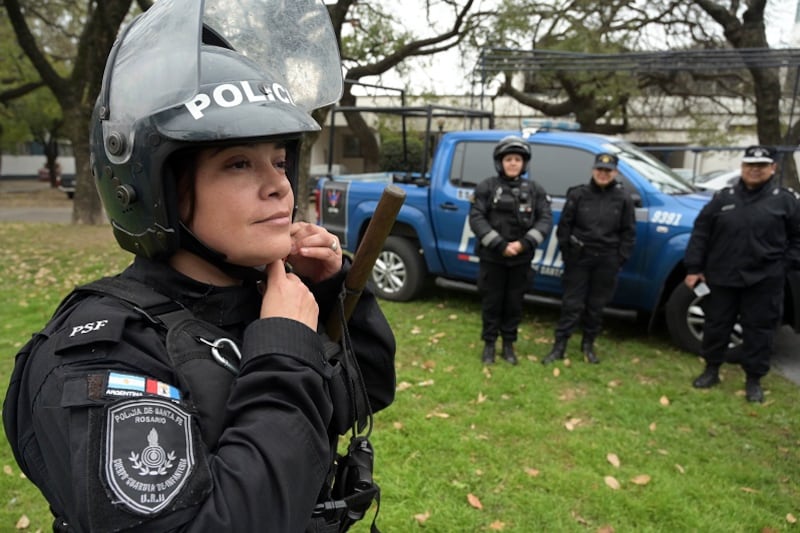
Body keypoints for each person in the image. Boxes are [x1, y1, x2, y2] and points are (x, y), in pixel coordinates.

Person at [2, 1, 396, 532]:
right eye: (238, 163)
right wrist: (281, 346)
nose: (279, 184)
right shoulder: (104, 352)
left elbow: (361, 393)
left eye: (279, 159)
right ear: (155, 188)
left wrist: (328, 294)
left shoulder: (265, 294)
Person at [684, 145, 800, 402]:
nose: (754, 171)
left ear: (772, 168)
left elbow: (797, 238)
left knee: (759, 330)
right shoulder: (724, 198)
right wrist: (694, 268)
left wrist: (785, 266)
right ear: (742, 167)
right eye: (749, 165)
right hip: (723, 275)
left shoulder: (785, 200)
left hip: (764, 280)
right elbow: (701, 232)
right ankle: (711, 370)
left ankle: (754, 380)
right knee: (716, 325)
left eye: (760, 166)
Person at [542, 153, 636, 365]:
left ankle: (588, 346)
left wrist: (619, 259)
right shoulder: (578, 195)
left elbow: (628, 233)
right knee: (571, 304)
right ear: (593, 171)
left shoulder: (623, 199)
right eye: (599, 170)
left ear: (615, 172)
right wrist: (569, 254)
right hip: (579, 258)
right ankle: (559, 346)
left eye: (608, 171)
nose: (603, 174)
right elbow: (564, 227)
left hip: (607, 259)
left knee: (596, 306)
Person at [469, 136, 553, 365]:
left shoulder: (535, 190)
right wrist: (500, 244)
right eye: (509, 159)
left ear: (524, 163)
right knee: (492, 303)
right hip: (492, 259)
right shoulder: (487, 187)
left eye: (517, 159)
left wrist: (523, 244)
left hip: (520, 261)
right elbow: (476, 218)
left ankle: (508, 345)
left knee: (513, 304)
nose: (513, 163)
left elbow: (545, 220)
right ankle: (489, 345)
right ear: (500, 162)